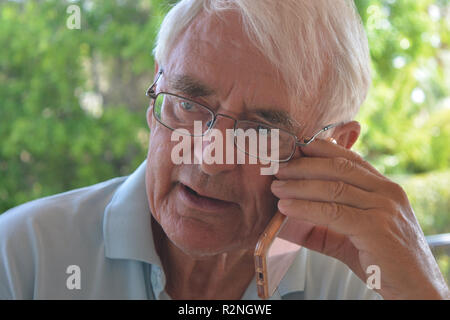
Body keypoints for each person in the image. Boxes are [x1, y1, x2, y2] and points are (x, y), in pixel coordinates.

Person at [0, 0, 448, 300]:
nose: (210, 158)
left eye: (262, 129)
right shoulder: (24, 258)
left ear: (337, 148)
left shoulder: (366, 286)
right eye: (189, 104)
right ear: (157, 84)